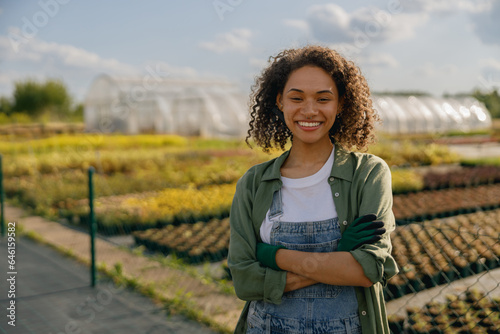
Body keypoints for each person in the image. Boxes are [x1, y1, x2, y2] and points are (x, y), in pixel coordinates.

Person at [228, 45, 399, 334]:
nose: (309, 110)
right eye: (296, 98)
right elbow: (244, 281)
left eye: (323, 99)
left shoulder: (368, 174)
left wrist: (272, 256)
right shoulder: (254, 182)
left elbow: (368, 269)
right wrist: (338, 256)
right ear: (280, 101)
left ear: (341, 103)